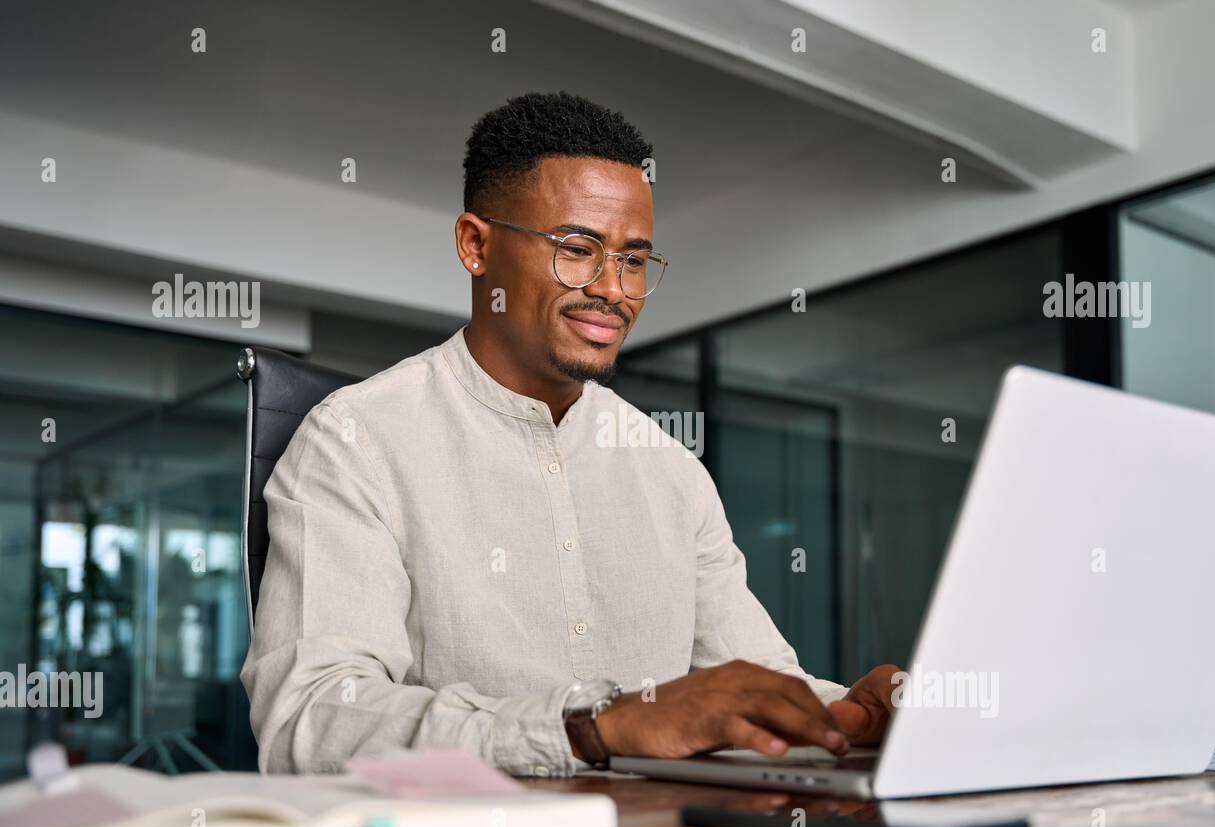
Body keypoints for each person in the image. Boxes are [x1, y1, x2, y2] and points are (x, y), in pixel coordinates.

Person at [241, 91, 899, 776]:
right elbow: (310, 718)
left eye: (635, 260)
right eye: (578, 249)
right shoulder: (355, 442)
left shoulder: (671, 471)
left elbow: (752, 686)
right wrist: (593, 729)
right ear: (476, 245)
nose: (613, 288)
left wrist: (859, 712)